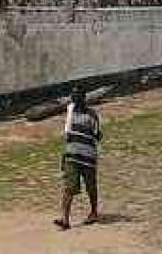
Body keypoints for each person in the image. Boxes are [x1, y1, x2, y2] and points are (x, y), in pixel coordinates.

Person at [54, 86, 100, 230]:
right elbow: (67, 134)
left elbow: (98, 135)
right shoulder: (70, 112)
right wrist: (64, 156)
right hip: (72, 156)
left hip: (88, 157)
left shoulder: (92, 114)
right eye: (73, 97)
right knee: (69, 187)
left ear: (83, 98)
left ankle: (94, 212)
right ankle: (65, 219)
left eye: (77, 96)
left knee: (91, 187)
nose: (75, 99)